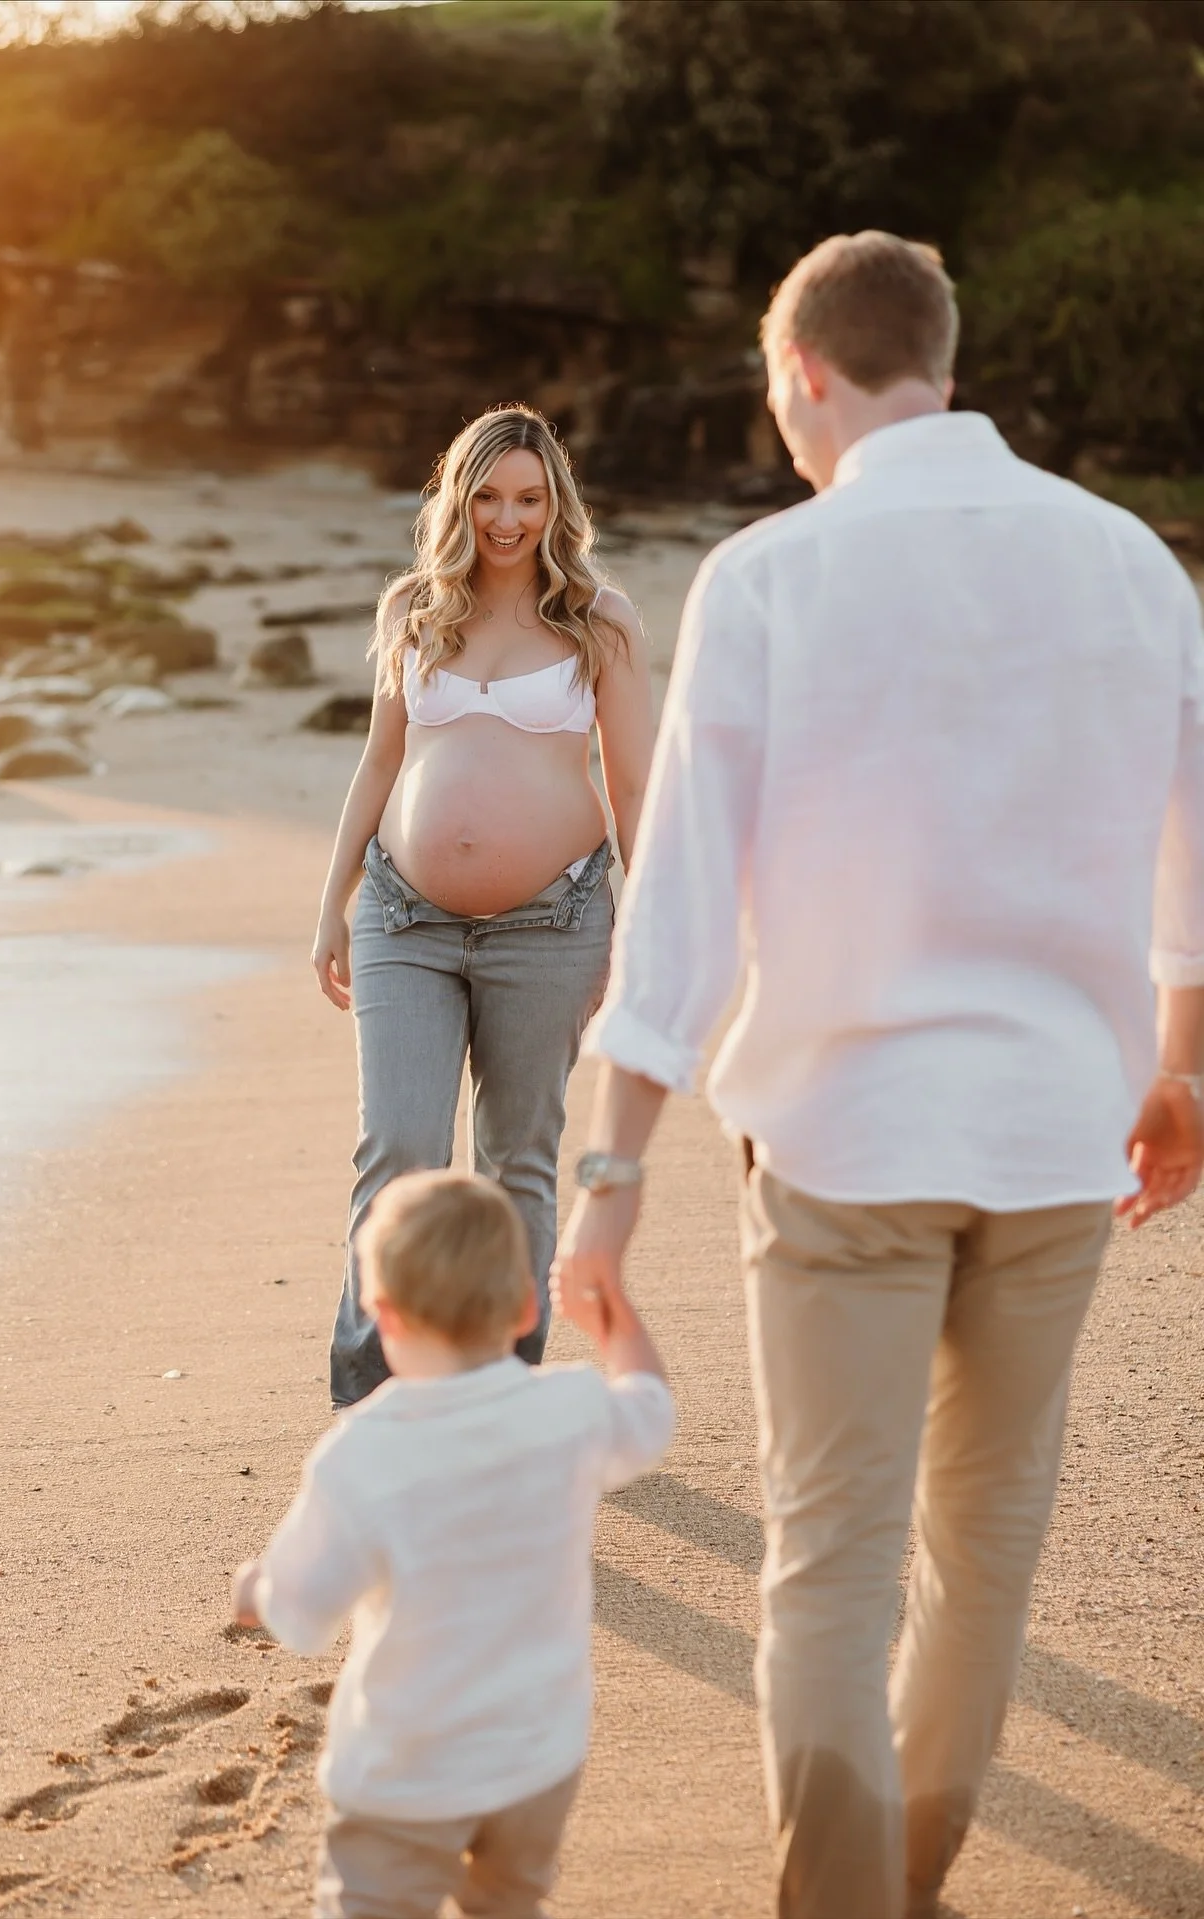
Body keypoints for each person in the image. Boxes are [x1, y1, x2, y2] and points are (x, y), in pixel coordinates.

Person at [552, 230, 1204, 1919]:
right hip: (1067, 1131)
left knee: (828, 1557)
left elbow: (682, 916)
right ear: (945, 359)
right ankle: (908, 1879)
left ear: (803, 378)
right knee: (984, 1551)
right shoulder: (1134, 561)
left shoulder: (769, 578)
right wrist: (1182, 1067)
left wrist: (606, 1182)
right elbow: (1191, 857)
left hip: (841, 1136)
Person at [313, 404, 654, 1409]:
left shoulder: (600, 619)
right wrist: (332, 898)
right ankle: (372, 1399)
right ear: (458, 499)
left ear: (558, 504)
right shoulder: (415, 608)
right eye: (488, 496)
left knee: (518, 1160)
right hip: (402, 918)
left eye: (529, 498)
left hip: (552, 923)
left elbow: (635, 786)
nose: (507, 519)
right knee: (401, 1151)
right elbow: (381, 759)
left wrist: (645, 925)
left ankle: (499, 1400)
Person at [231, 1169, 674, 1919]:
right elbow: (651, 1407)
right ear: (527, 1305)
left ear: (383, 1315)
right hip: (538, 1757)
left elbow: (300, 1611)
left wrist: (253, 1589)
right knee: (507, 1902)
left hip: (408, 1772)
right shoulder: (571, 1409)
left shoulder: (361, 1454)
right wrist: (614, 1317)